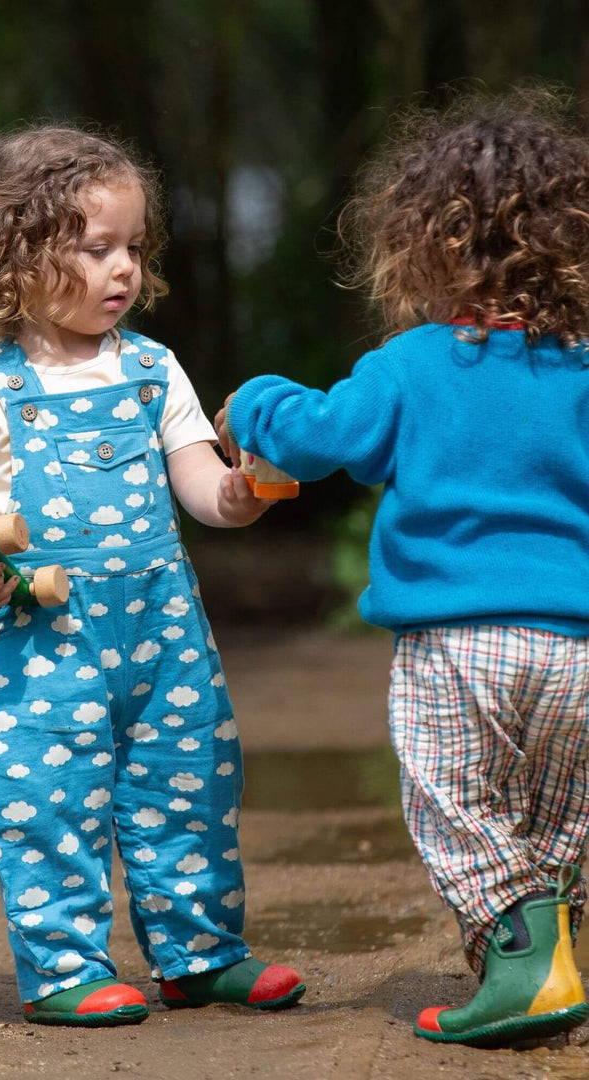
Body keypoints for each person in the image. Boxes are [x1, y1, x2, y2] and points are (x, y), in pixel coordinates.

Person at [218, 91, 589, 1048]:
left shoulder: (413, 365)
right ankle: (545, 965)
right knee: (558, 825)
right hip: (579, 648)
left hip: (456, 645)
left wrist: (254, 400)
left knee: (454, 801)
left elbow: (315, 437)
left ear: (427, 246)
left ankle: (522, 958)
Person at [0, 125, 305, 1027]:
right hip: (37, 634)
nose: (123, 268)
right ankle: (63, 969)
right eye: (96, 250)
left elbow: (199, 481)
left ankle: (201, 956)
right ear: (15, 258)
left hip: (162, 626)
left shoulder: (151, 369)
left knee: (190, 779)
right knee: (48, 800)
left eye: (132, 247)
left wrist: (239, 495)